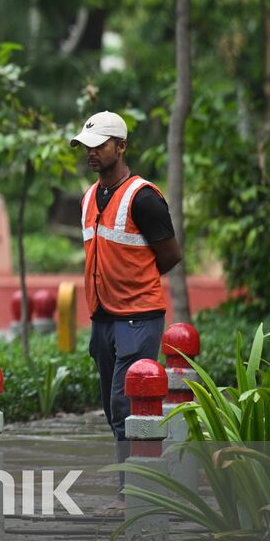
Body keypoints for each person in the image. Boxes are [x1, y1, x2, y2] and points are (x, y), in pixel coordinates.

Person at [71, 110, 182, 502]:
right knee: (111, 406)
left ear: (121, 146)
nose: (91, 153)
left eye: (99, 145)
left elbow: (169, 256)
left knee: (125, 402)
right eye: (86, 146)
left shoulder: (144, 198)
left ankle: (140, 484)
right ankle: (135, 479)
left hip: (139, 317)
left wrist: (135, 283)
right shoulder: (88, 197)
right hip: (102, 320)